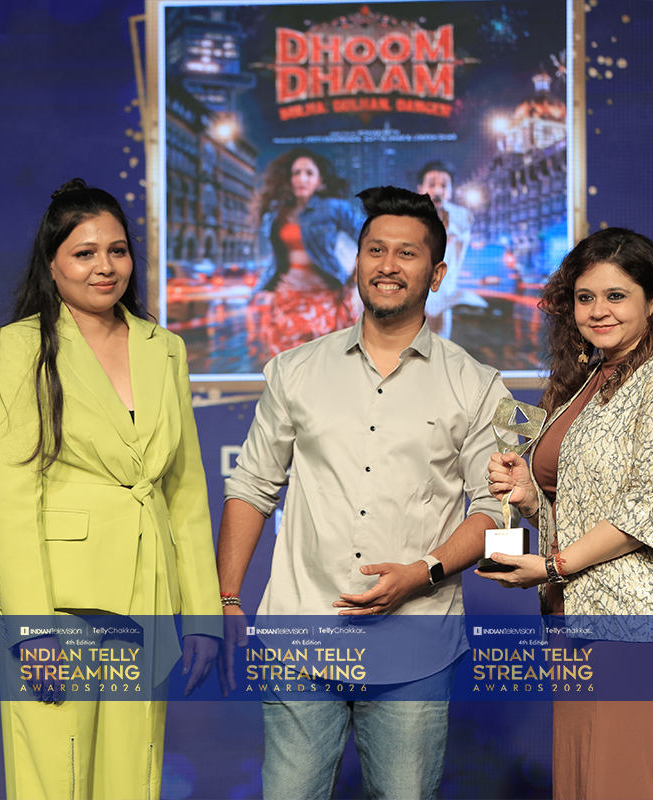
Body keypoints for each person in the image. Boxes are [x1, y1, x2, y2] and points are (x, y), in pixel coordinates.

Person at [219, 186, 512, 799]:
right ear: (355, 263)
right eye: (375, 250)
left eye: (406, 253)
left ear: (436, 273)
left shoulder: (477, 384)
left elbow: (495, 509)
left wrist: (423, 572)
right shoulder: (296, 370)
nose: (387, 265)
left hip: (416, 644)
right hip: (301, 637)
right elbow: (251, 484)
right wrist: (226, 598)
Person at [0, 179, 221, 799]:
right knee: (55, 781)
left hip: (147, 591)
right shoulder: (18, 347)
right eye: (84, 253)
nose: (104, 266)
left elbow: (185, 491)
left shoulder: (165, 349)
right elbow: (10, 497)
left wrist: (203, 614)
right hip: (59, 600)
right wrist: (31, 627)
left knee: (133, 780)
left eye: (117, 250)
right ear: (52, 264)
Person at [478, 227, 653, 799]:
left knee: (631, 787)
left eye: (617, 296)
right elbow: (584, 508)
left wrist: (552, 566)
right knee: (584, 787)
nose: (598, 311)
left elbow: (648, 513)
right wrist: (531, 498)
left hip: (645, 626)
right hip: (579, 621)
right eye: (585, 297)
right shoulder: (589, 381)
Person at [252, 148, 364, 355]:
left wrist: (355, 275)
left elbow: (369, 238)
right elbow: (277, 257)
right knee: (289, 362)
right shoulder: (278, 213)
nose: (301, 178)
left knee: (323, 360)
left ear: (320, 182)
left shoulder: (334, 208)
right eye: (296, 173)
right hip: (286, 297)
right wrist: (263, 289)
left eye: (309, 173)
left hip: (324, 298)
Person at [417, 160, 487, 339]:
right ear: (420, 189)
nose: (438, 191)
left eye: (444, 186)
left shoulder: (460, 217)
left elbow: (457, 229)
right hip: (415, 300)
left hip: (443, 297)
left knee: (439, 347)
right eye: (431, 185)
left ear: (451, 190)